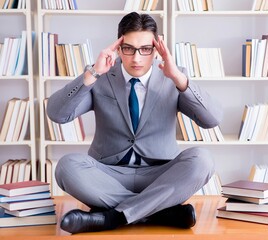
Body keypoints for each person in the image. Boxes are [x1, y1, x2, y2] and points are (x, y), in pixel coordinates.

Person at [47, 12, 223, 234]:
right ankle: (159, 212)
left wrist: (178, 78)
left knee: (202, 160)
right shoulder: (100, 76)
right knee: (67, 166)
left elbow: (212, 119)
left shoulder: (173, 78)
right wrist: (92, 73)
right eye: (129, 48)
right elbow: (57, 114)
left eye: (145, 49)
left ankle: (113, 217)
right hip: (108, 174)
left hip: (159, 174)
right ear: (118, 47)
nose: (136, 58)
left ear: (156, 49)